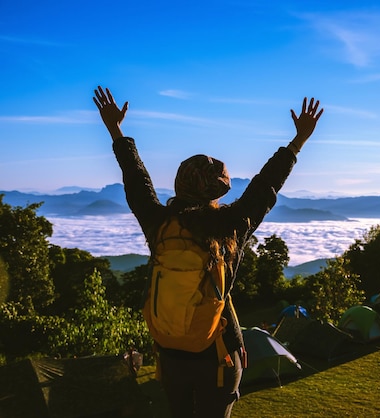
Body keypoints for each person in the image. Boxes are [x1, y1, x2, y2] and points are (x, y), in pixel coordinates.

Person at [93, 86, 323, 418]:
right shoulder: (229, 227)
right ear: (219, 189)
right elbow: (265, 187)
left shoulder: (159, 223)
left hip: (171, 356)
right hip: (218, 356)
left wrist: (115, 129)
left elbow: (136, 179)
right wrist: (298, 141)